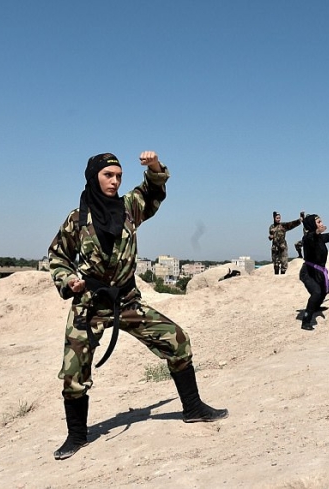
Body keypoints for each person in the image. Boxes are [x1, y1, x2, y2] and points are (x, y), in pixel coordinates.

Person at [48, 151, 228, 461]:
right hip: (89, 305)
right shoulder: (77, 219)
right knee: (73, 374)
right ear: (94, 177)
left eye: (118, 175)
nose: (115, 181)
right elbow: (58, 257)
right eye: (108, 175)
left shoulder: (129, 206)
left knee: (178, 341)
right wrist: (68, 281)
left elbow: (154, 193)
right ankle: (76, 436)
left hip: (127, 300)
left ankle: (194, 408)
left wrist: (155, 167)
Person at [298, 214, 329, 331]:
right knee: (316, 292)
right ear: (312, 225)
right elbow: (311, 238)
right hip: (308, 272)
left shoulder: (319, 237)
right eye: (319, 222)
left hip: (318, 271)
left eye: (321, 222)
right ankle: (306, 321)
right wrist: (316, 232)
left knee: (327, 286)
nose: (321, 224)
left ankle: (316, 306)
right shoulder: (307, 238)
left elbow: (324, 237)